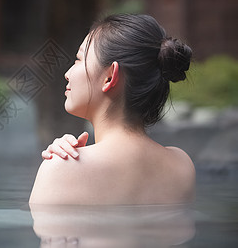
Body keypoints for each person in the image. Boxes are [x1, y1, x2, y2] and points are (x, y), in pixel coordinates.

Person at [29, 14, 196, 205]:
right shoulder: (182, 166)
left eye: (78, 59)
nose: (67, 74)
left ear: (109, 77)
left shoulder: (60, 169)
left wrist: (68, 165)